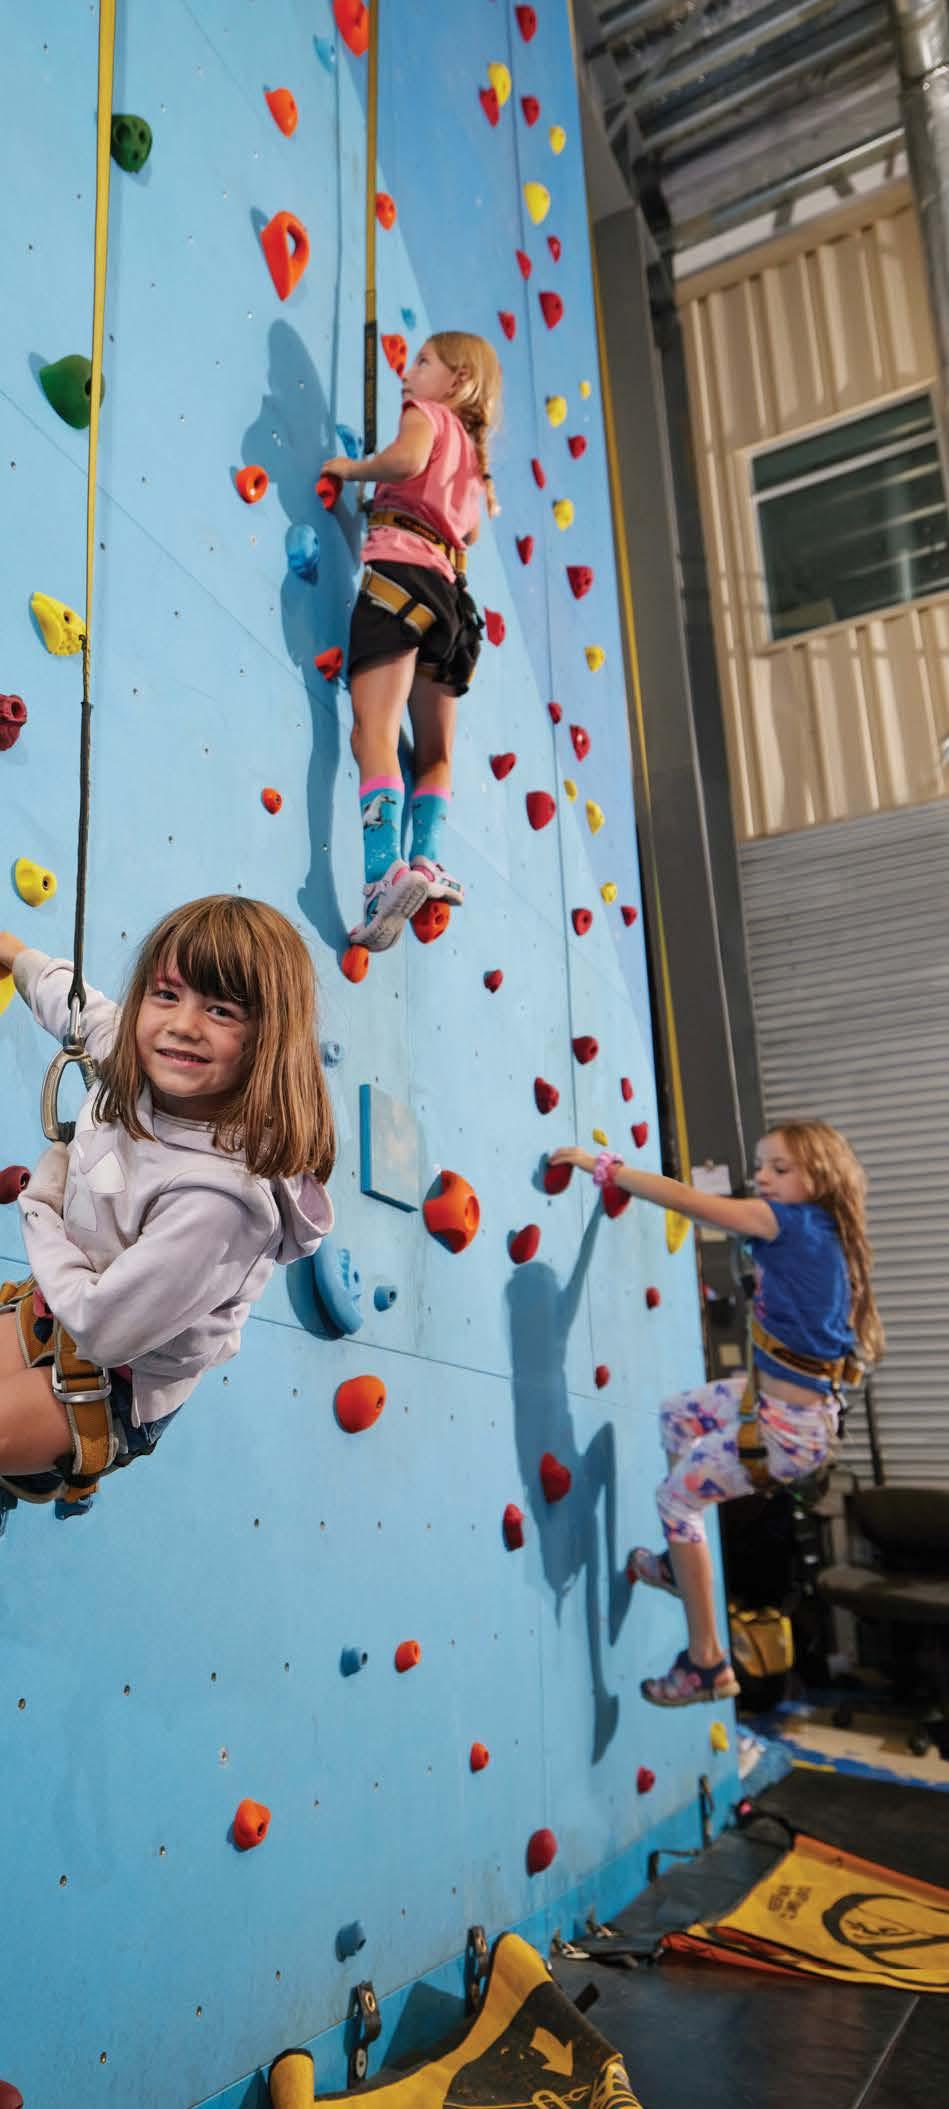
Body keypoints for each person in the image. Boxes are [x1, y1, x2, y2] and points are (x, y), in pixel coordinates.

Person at [0, 895, 335, 1509]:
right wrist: (20, 958)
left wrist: (43, 1205)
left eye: (221, 1010)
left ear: (269, 1038)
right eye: (166, 994)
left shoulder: (222, 1203)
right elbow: (82, 1012)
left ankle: (38, 1469)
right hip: (65, 1296)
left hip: (119, 1379)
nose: (182, 1024)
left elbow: (104, 1332)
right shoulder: (141, 1063)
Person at [548, 1122, 884, 1709]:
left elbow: (688, 1201)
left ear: (820, 1178)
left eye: (780, 1169)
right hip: (776, 1406)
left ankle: (707, 1662)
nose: (763, 1177)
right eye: (761, 1166)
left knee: (675, 1500)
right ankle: (678, 1565)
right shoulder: (826, 1229)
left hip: (787, 1428)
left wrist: (610, 1171)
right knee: (676, 1417)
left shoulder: (786, 1223)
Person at [320, 331, 502, 951]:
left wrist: (353, 470)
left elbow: (405, 461)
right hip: (452, 603)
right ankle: (425, 859)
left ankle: (383, 876)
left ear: (457, 381)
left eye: (423, 362)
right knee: (434, 754)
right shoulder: (474, 458)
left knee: (372, 729)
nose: (408, 371)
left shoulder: (425, 414)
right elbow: (469, 533)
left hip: (400, 575)